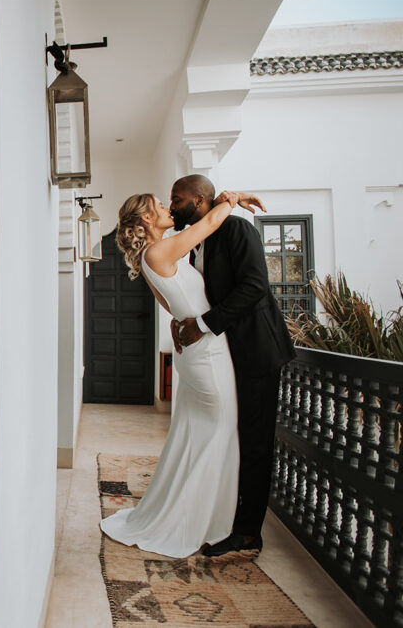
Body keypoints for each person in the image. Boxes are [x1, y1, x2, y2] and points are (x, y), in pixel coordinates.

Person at [100, 189, 261, 558]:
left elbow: (172, 307)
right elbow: (208, 223)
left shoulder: (151, 255)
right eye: (159, 206)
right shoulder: (160, 251)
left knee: (196, 435)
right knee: (218, 435)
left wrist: (179, 323)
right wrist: (232, 198)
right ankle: (203, 522)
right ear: (145, 219)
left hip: (195, 350)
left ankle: (191, 514)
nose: (167, 207)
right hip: (207, 353)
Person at [168, 174, 296, 557]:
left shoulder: (237, 229)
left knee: (255, 441)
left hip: (257, 351)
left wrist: (203, 326)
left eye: (178, 198)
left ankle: (247, 532)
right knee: (232, 435)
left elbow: (255, 286)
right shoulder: (197, 243)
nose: (172, 205)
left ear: (201, 200)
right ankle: (222, 514)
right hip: (228, 352)